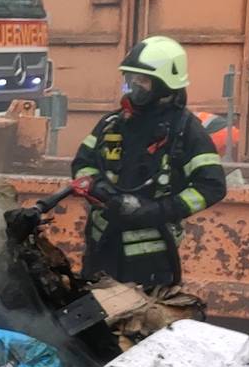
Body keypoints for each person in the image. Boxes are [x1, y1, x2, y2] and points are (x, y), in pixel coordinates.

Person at [63, 35, 228, 289]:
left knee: (142, 324)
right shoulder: (112, 124)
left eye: (143, 81)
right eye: (130, 80)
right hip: (101, 250)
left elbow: (211, 186)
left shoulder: (185, 131)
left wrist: (156, 211)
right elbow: (83, 163)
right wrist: (99, 189)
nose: (133, 87)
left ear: (165, 86)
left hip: (151, 264)